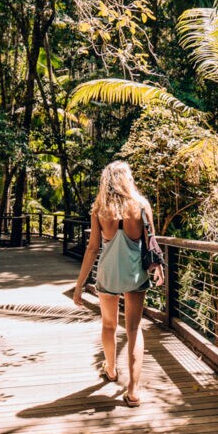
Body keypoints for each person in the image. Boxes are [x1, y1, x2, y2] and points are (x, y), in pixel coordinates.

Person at [73, 161, 164, 407]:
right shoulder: (142, 206)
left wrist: (80, 284)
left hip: (108, 274)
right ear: (128, 179)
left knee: (109, 324)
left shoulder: (100, 209)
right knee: (133, 329)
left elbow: (92, 249)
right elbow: (151, 242)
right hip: (134, 274)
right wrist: (158, 267)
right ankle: (134, 390)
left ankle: (111, 369)